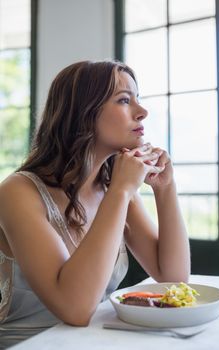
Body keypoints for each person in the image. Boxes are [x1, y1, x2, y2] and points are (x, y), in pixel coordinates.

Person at [0, 60, 190, 347]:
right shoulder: (17, 192)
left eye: (137, 99)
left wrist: (165, 190)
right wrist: (122, 191)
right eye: (124, 100)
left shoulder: (114, 187)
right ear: (83, 113)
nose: (142, 112)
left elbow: (174, 278)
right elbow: (74, 309)